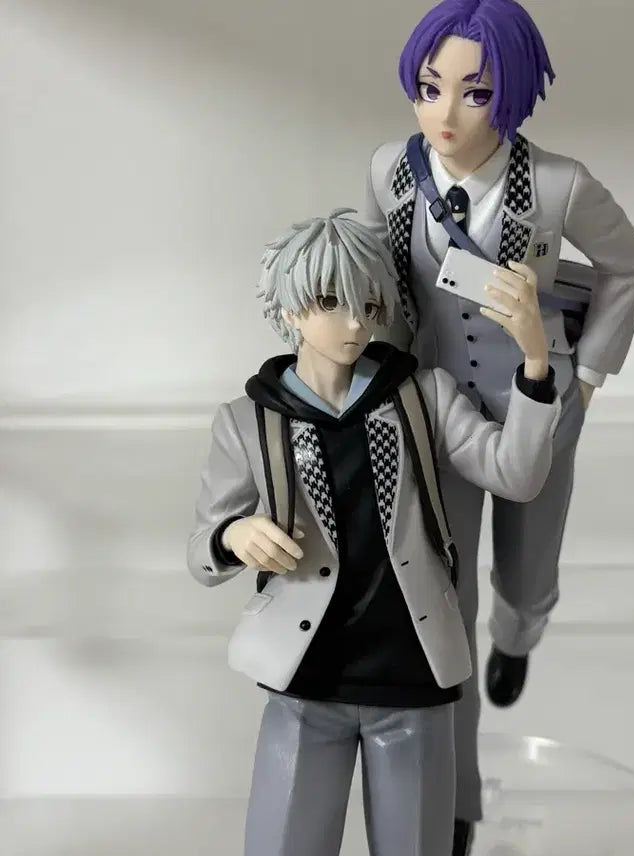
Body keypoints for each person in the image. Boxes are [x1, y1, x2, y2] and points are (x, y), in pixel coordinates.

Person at [363, 1, 634, 850]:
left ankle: (520, 635)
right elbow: (377, 279)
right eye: (430, 87)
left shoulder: (559, 185)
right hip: (438, 407)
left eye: (475, 92)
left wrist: (587, 376)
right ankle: (456, 802)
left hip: (537, 404)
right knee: (441, 606)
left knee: (525, 569)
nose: (446, 113)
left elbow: (627, 263)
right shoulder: (391, 172)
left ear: (514, 94)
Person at [186, 208, 562, 856]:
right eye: (332, 303)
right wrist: (234, 536)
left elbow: (516, 473)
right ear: (291, 308)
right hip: (306, 679)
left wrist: (535, 362)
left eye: (368, 303)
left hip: (411, 677)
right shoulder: (249, 421)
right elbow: (201, 551)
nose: (356, 323)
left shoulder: (421, 395)